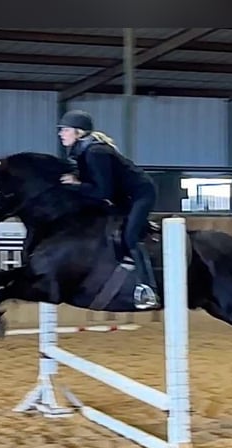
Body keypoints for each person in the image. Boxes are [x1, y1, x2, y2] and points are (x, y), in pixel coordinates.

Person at [56, 109, 159, 310]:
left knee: (130, 236)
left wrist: (76, 185)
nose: (61, 134)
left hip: (140, 194)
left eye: (65, 130)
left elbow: (102, 191)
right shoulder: (82, 151)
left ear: (79, 132)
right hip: (123, 196)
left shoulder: (95, 152)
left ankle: (148, 288)